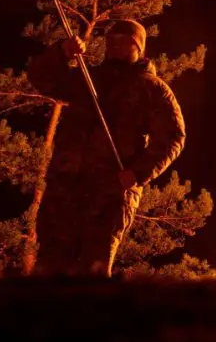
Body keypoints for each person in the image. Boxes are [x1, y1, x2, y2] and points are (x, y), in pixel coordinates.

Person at [24, 20, 185, 276]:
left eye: (124, 42)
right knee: (49, 269)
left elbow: (172, 137)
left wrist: (136, 173)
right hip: (65, 190)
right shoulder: (87, 80)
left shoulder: (152, 89)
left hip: (109, 194)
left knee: (93, 271)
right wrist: (62, 52)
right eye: (111, 41)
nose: (116, 47)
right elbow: (41, 78)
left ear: (139, 48)